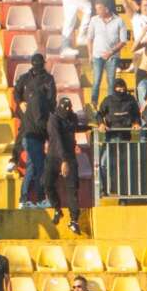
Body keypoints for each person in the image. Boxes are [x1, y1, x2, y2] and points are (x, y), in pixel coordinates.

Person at [14, 54, 56, 209]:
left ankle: (27, 199)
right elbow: (16, 92)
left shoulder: (48, 79)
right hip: (32, 129)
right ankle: (34, 198)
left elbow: (52, 101)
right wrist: (20, 103)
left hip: (37, 128)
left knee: (34, 166)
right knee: (37, 166)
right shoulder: (26, 79)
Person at [46, 97, 87, 234]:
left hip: (69, 156)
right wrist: (63, 160)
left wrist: (90, 127)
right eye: (66, 109)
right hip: (54, 156)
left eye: (70, 108)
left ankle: (74, 220)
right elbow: (57, 140)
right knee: (47, 184)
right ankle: (57, 209)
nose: (68, 111)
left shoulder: (72, 117)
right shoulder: (54, 119)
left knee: (72, 188)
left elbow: (75, 128)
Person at [78, 0, 129, 106]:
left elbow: (123, 41)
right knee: (96, 81)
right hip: (97, 56)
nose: (97, 11)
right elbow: (89, 38)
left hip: (112, 57)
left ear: (106, 9)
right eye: (96, 9)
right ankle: (94, 104)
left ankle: (109, 106)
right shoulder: (94, 20)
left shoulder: (119, 21)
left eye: (99, 8)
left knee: (111, 83)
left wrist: (111, 52)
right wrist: (90, 54)